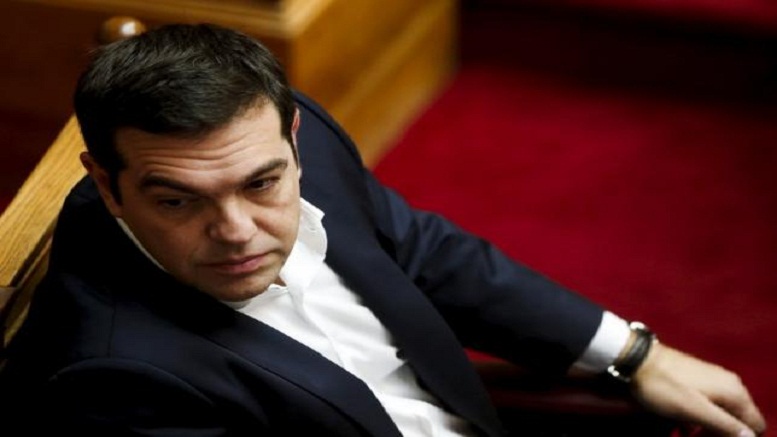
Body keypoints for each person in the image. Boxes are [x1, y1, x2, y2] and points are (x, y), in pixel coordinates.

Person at [0, 23, 766, 437]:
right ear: (105, 183)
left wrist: (635, 354)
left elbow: (422, 248)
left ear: (293, 137)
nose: (235, 230)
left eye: (262, 184)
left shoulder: (292, 139)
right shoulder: (111, 384)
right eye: (177, 202)